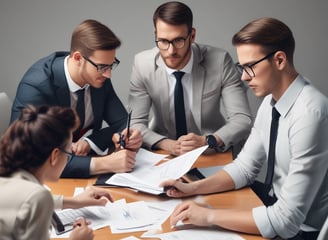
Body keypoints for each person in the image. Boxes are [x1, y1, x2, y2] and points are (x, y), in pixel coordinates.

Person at [161, 17, 328, 240]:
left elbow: (287, 221)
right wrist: (193, 189)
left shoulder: (311, 114)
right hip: (272, 203)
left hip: (302, 230)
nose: (243, 76)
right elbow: (245, 168)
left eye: (250, 66)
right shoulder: (272, 102)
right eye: (242, 67)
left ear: (279, 60)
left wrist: (209, 217)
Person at [10, 19, 142, 178]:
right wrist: (103, 164)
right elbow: (28, 154)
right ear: (78, 58)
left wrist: (93, 142)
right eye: (102, 67)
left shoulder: (98, 76)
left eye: (111, 64)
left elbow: (122, 122)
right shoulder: (36, 85)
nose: (109, 74)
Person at [128, 1, 252, 157]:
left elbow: (242, 119)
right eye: (163, 41)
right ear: (155, 35)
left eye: (178, 40)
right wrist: (167, 144)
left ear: (192, 35)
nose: (171, 51)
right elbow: (135, 123)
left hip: (210, 150)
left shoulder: (220, 61)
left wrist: (208, 140)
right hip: (163, 150)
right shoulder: (142, 64)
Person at [0, 105, 113, 239]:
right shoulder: (37, 197)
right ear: (54, 156)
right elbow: (34, 200)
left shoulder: (12, 180)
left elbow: (22, 201)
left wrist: (74, 201)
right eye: (69, 152)